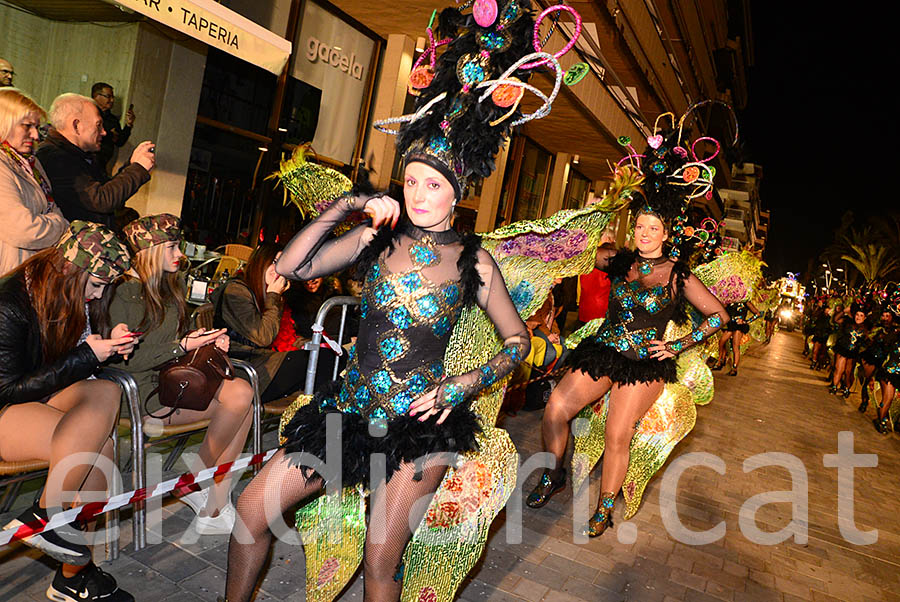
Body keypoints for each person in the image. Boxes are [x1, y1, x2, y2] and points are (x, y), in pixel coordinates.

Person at [526, 104, 735, 537]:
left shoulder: (679, 275)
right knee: (555, 409)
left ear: (667, 234)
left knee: (617, 433)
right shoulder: (618, 261)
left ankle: (605, 506)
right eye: (639, 226)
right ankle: (554, 472)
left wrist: (678, 345)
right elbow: (575, 248)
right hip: (604, 350)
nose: (643, 234)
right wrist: (604, 208)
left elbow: (720, 315)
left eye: (652, 228)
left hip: (645, 363)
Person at [0, 222, 136, 602]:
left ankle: (48, 522)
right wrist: (85, 356)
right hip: (5, 408)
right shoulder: (9, 304)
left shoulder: (64, 293)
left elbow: (74, 357)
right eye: (94, 285)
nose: (97, 296)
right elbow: (7, 388)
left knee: (107, 391)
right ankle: (69, 567)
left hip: (43, 398)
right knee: (100, 451)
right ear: (67, 268)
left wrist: (108, 341)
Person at [108, 214, 254, 534]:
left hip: (171, 384)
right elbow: (123, 360)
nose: (180, 254)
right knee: (240, 405)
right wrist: (182, 345)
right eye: (173, 246)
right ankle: (203, 493)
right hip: (139, 396)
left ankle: (207, 493)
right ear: (150, 249)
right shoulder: (122, 293)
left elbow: (180, 337)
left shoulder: (167, 288)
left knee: (243, 394)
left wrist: (209, 340)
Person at [36, 93, 154, 229]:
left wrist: (131, 165)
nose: (104, 132)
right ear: (76, 125)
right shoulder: (54, 157)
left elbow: (108, 192)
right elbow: (101, 200)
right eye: (98, 125)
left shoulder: (82, 155)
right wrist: (137, 169)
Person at [210, 242, 309, 402]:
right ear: (261, 260)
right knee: (323, 361)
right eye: (275, 262)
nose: (279, 269)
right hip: (242, 371)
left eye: (283, 264)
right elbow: (263, 337)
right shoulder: (236, 290)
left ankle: (321, 421)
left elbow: (285, 333)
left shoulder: (264, 294)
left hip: (262, 363)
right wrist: (274, 297)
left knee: (327, 359)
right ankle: (326, 424)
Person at [0, 88, 69, 274]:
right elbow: (23, 229)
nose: (36, 136)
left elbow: (51, 207)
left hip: (28, 271)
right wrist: (61, 225)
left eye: (37, 127)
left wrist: (52, 221)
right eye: (27, 126)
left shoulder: (31, 162)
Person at [91, 82, 134, 173]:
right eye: (108, 96)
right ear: (96, 96)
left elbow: (120, 141)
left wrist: (128, 125)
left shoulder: (112, 120)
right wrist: (110, 135)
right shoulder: (87, 114)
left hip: (103, 165)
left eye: (112, 97)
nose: (112, 100)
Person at [858, 308, 894, 412]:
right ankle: (864, 401)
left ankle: (883, 409)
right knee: (867, 380)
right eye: (884, 316)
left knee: (886, 389)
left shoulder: (895, 330)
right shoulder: (877, 328)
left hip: (888, 361)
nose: (885, 319)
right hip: (874, 357)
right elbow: (867, 339)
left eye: (888, 316)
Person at [829, 304, 868, 398]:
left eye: (861, 315)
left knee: (848, 372)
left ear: (865, 317)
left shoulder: (867, 329)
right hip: (843, 349)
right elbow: (836, 320)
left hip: (854, 353)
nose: (858, 317)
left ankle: (847, 388)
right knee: (839, 368)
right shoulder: (847, 322)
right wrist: (844, 311)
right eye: (857, 315)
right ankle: (834, 386)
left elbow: (868, 342)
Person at [712, 300, 760, 376]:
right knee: (721, 341)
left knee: (735, 346)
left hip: (739, 326)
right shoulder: (729, 300)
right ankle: (721, 361)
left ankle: (734, 368)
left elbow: (757, 313)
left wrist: (745, 321)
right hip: (730, 325)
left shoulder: (746, 302)